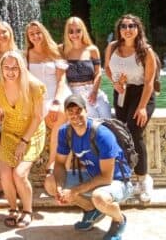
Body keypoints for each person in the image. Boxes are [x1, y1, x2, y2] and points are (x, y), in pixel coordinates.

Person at [47, 95, 133, 240]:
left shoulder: (102, 134)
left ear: (86, 111)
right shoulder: (65, 132)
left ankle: (119, 220)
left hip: (118, 181)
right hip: (94, 177)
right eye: (70, 112)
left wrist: (74, 191)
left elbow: (106, 177)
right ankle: (91, 210)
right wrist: (60, 188)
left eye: (78, 110)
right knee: (51, 183)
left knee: (99, 197)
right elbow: (60, 163)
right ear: (66, 114)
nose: (75, 115)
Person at [0, 51, 45, 229]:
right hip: (9, 131)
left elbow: (38, 117)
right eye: (6, 67)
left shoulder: (34, 85)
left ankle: (27, 210)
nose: (10, 72)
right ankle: (13, 208)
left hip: (31, 133)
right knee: (5, 174)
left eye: (15, 68)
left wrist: (24, 141)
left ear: (21, 68)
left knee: (19, 174)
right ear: (1, 68)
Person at [105, 14, 157, 202]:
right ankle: (126, 179)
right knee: (121, 134)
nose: (127, 29)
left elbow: (150, 82)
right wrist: (115, 83)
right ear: (119, 30)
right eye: (124, 26)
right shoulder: (112, 47)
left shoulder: (145, 51)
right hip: (122, 94)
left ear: (138, 29)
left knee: (134, 133)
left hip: (142, 94)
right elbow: (107, 68)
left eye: (132, 25)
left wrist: (142, 107)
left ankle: (143, 179)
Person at [25, 20, 70, 173]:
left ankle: (52, 163)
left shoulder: (55, 51)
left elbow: (61, 80)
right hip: (39, 96)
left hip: (57, 92)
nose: (35, 36)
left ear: (43, 33)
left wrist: (57, 101)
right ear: (28, 37)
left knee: (62, 114)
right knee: (53, 119)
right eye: (32, 34)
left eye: (38, 33)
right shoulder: (26, 54)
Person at [61, 17, 111, 118]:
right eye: (71, 31)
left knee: (107, 119)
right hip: (75, 92)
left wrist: (94, 92)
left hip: (93, 89)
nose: (75, 34)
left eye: (78, 31)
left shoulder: (92, 49)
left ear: (83, 31)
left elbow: (98, 73)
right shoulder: (62, 50)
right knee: (93, 122)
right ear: (67, 33)